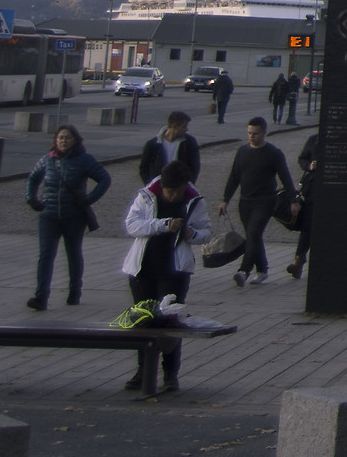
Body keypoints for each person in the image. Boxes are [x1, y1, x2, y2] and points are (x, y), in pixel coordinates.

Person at [120, 160, 211, 394]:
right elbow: (132, 225)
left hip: (175, 270)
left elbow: (206, 232)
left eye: (177, 192)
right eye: (170, 191)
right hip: (144, 268)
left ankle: (170, 374)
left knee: (171, 321)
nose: (173, 196)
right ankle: (143, 370)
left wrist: (193, 234)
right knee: (144, 320)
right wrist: (163, 225)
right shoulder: (147, 195)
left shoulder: (194, 200)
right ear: (162, 186)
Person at [26, 124, 112, 310]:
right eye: (60, 138)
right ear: (55, 140)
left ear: (75, 140)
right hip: (48, 215)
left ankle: (74, 291)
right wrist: (31, 198)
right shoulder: (47, 160)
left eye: (67, 138)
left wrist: (89, 199)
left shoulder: (84, 160)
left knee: (73, 253)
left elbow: (104, 179)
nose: (63, 141)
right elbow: (33, 178)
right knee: (45, 255)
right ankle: (41, 297)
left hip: (74, 215)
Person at [220, 116, 296, 288]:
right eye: (249, 133)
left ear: (263, 133)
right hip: (245, 202)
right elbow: (234, 177)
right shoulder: (242, 151)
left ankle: (243, 271)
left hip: (265, 201)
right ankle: (262, 269)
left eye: (255, 133)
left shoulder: (274, 153)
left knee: (253, 234)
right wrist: (225, 200)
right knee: (253, 237)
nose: (251, 136)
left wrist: (294, 200)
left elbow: (286, 178)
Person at [136, 113, 200, 196]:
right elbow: (143, 167)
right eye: (184, 126)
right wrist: (149, 185)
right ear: (174, 126)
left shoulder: (189, 142)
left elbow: (195, 166)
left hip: (180, 188)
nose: (186, 129)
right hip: (158, 188)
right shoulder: (152, 144)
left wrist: (188, 185)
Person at [286, 130, 320, 280]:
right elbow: (302, 159)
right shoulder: (314, 139)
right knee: (307, 226)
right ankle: (299, 261)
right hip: (312, 190)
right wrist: (309, 165)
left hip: (333, 190)